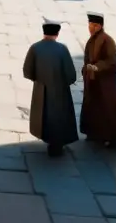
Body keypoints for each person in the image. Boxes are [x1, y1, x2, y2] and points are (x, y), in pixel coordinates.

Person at [23, 19, 78, 157]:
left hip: (40, 89)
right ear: (57, 33)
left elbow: (27, 71)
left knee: (43, 115)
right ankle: (57, 144)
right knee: (59, 117)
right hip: (60, 91)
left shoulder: (35, 48)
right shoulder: (62, 49)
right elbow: (71, 75)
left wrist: (38, 80)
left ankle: (46, 138)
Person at [80, 12, 116, 147]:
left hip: (104, 82)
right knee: (93, 107)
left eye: (94, 25)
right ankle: (94, 133)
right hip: (92, 80)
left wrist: (97, 67)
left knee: (109, 108)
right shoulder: (92, 39)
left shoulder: (107, 40)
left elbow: (113, 61)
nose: (91, 28)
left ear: (100, 26)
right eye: (90, 25)